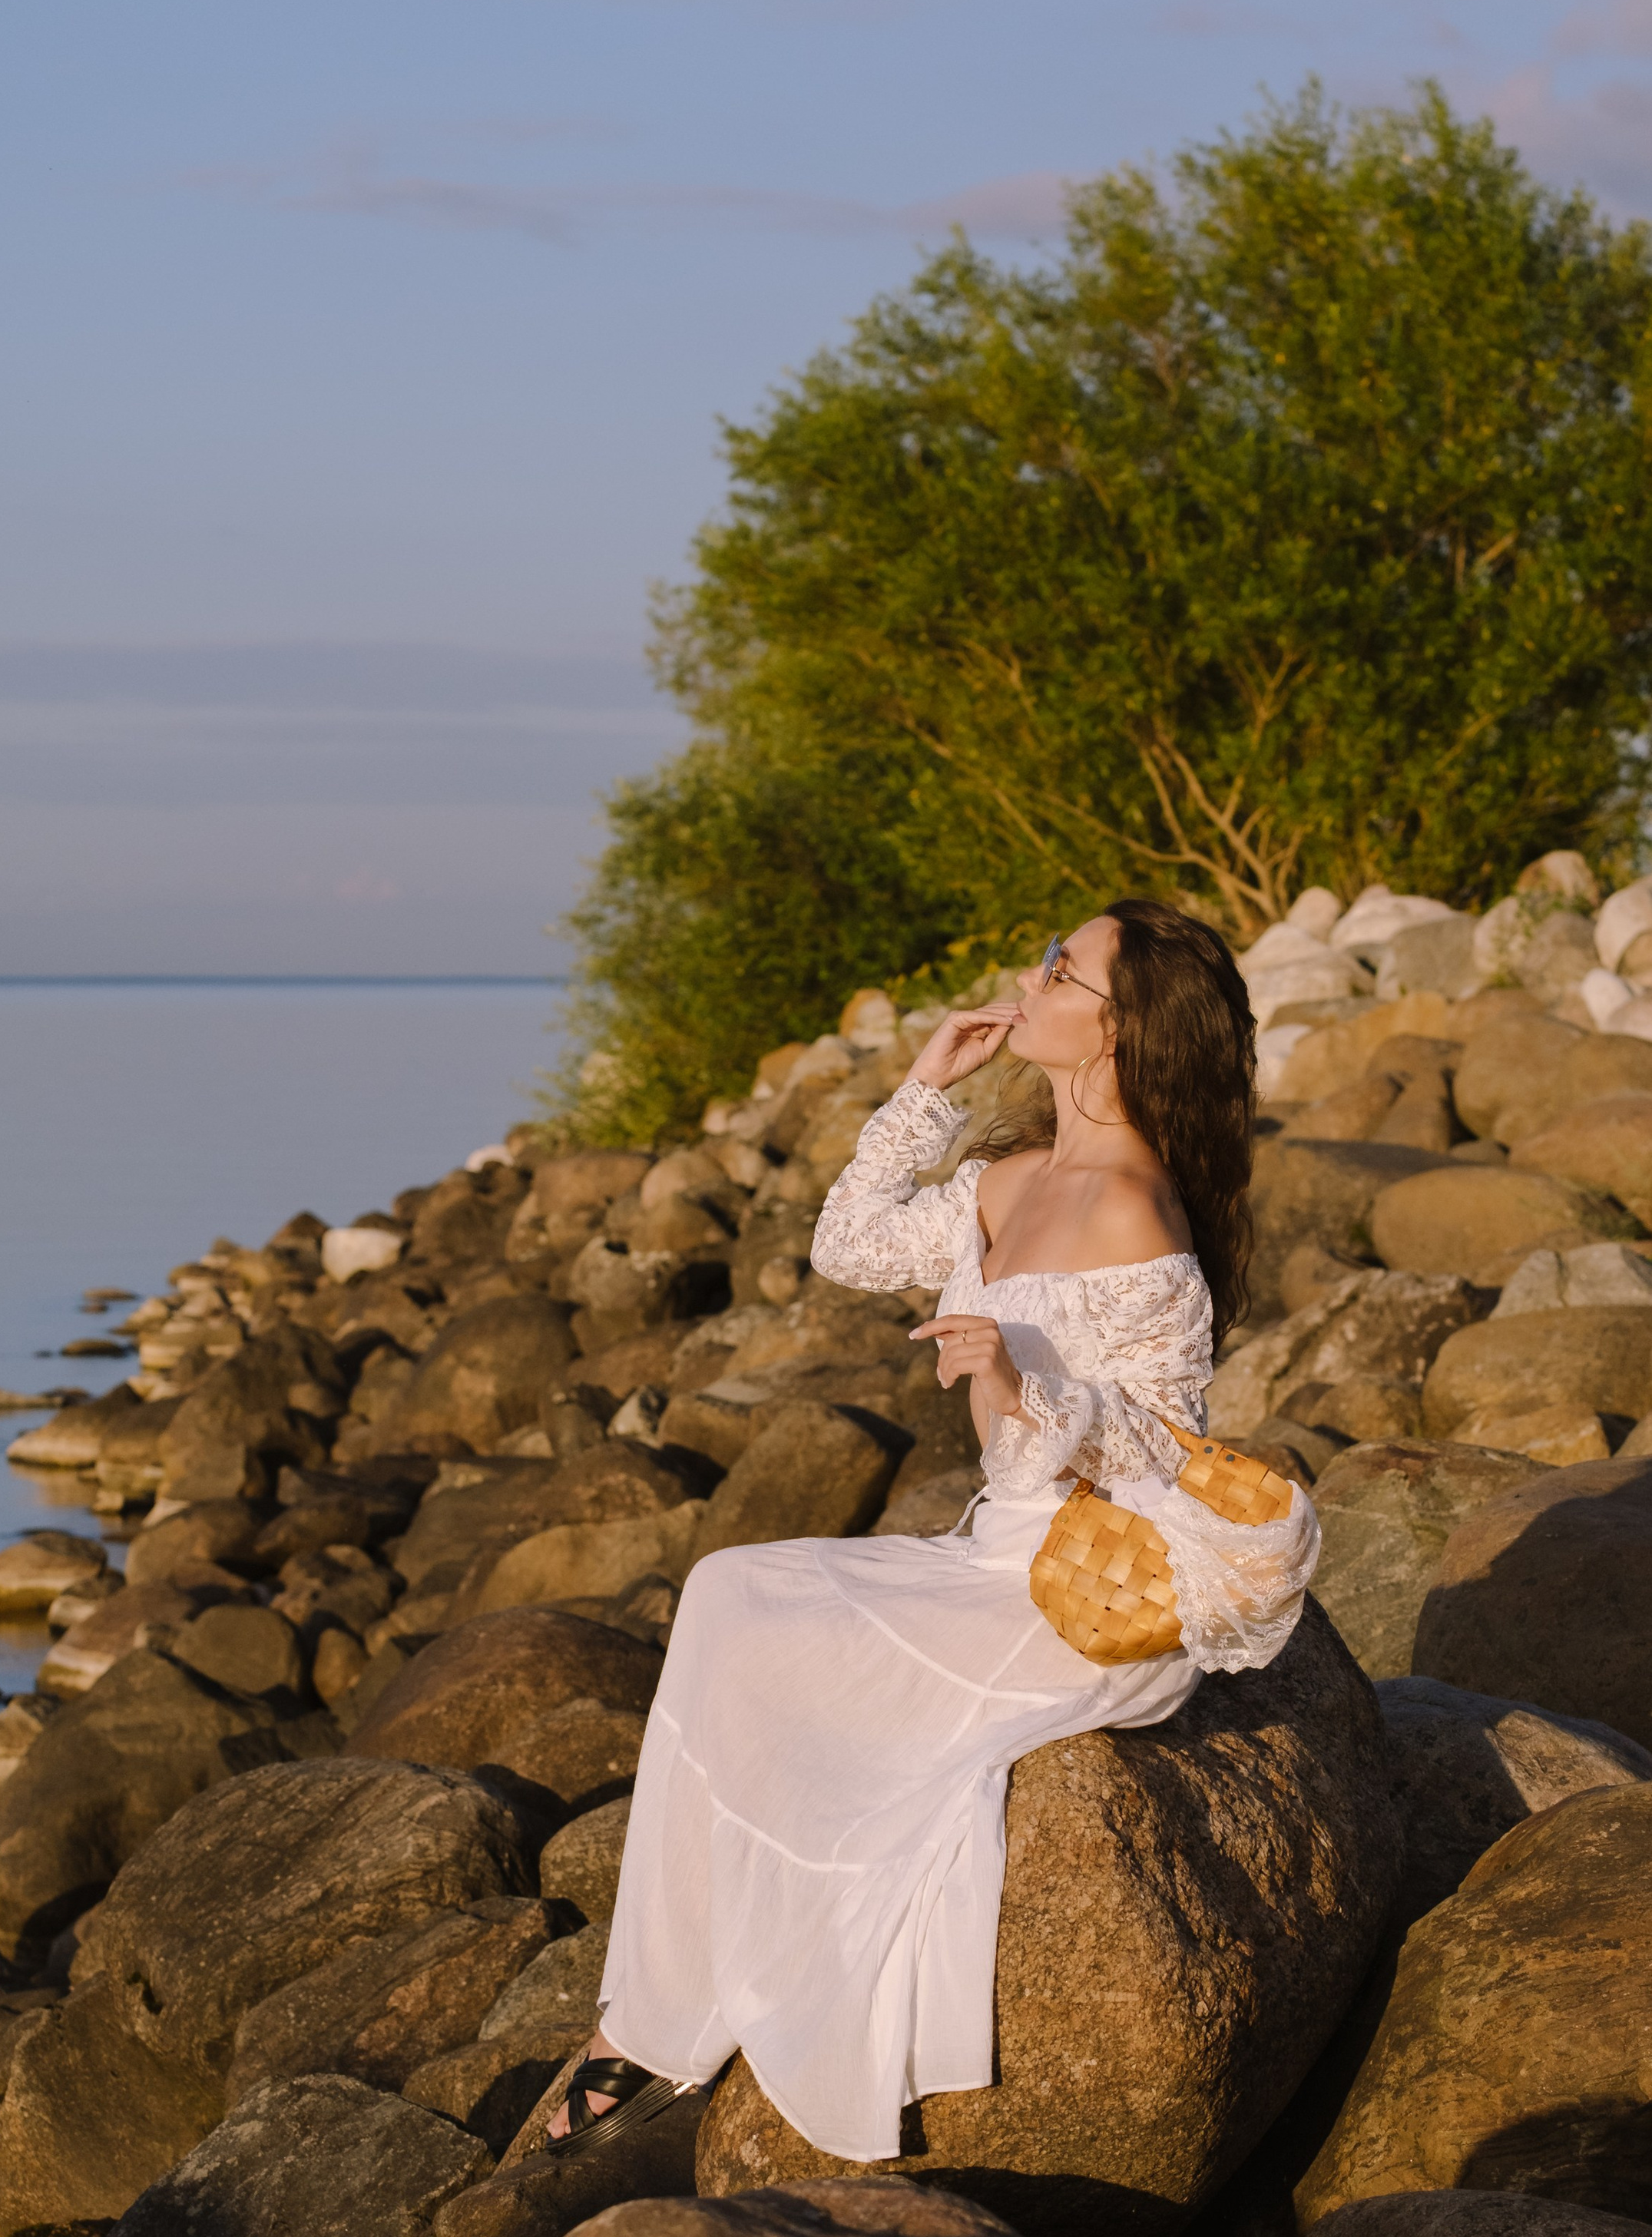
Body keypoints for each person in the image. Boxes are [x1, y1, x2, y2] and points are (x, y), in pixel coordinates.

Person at [546, 899, 1320, 2160]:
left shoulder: (1138, 1214)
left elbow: (1163, 1449)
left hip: (1076, 1586)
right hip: (987, 1551)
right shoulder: (1012, 1178)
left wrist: (1025, 1385)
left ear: (1115, 1034)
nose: (1032, 975)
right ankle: (650, 2015)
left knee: (748, 1616)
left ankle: (656, 2032)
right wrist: (921, 1090)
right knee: (735, 1591)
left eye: (1061, 969)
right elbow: (845, 1245)